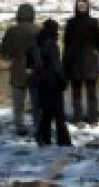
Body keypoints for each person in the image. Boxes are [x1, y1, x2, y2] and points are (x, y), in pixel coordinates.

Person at [0, 3, 40, 136]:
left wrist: (10, 54)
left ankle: (20, 127)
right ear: (32, 15)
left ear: (18, 15)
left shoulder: (12, 31)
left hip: (17, 70)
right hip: (35, 71)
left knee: (18, 103)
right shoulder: (39, 31)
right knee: (36, 103)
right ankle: (38, 127)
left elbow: (3, 51)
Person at [29, 19, 72, 147]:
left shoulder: (38, 43)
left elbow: (33, 62)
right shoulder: (51, 45)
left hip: (41, 81)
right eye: (56, 29)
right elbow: (56, 66)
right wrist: (63, 80)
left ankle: (43, 139)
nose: (57, 32)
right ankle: (63, 141)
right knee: (59, 114)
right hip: (52, 82)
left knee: (46, 113)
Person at [63, 0, 99, 124]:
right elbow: (66, 43)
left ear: (88, 7)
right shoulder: (70, 23)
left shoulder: (94, 22)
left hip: (90, 60)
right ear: (76, 6)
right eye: (79, 5)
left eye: (84, 5)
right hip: (75, 61)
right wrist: (64, 63)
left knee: (91, 91)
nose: (81, 7)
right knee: (76, 91)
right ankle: (78, 118)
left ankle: (92, 118)